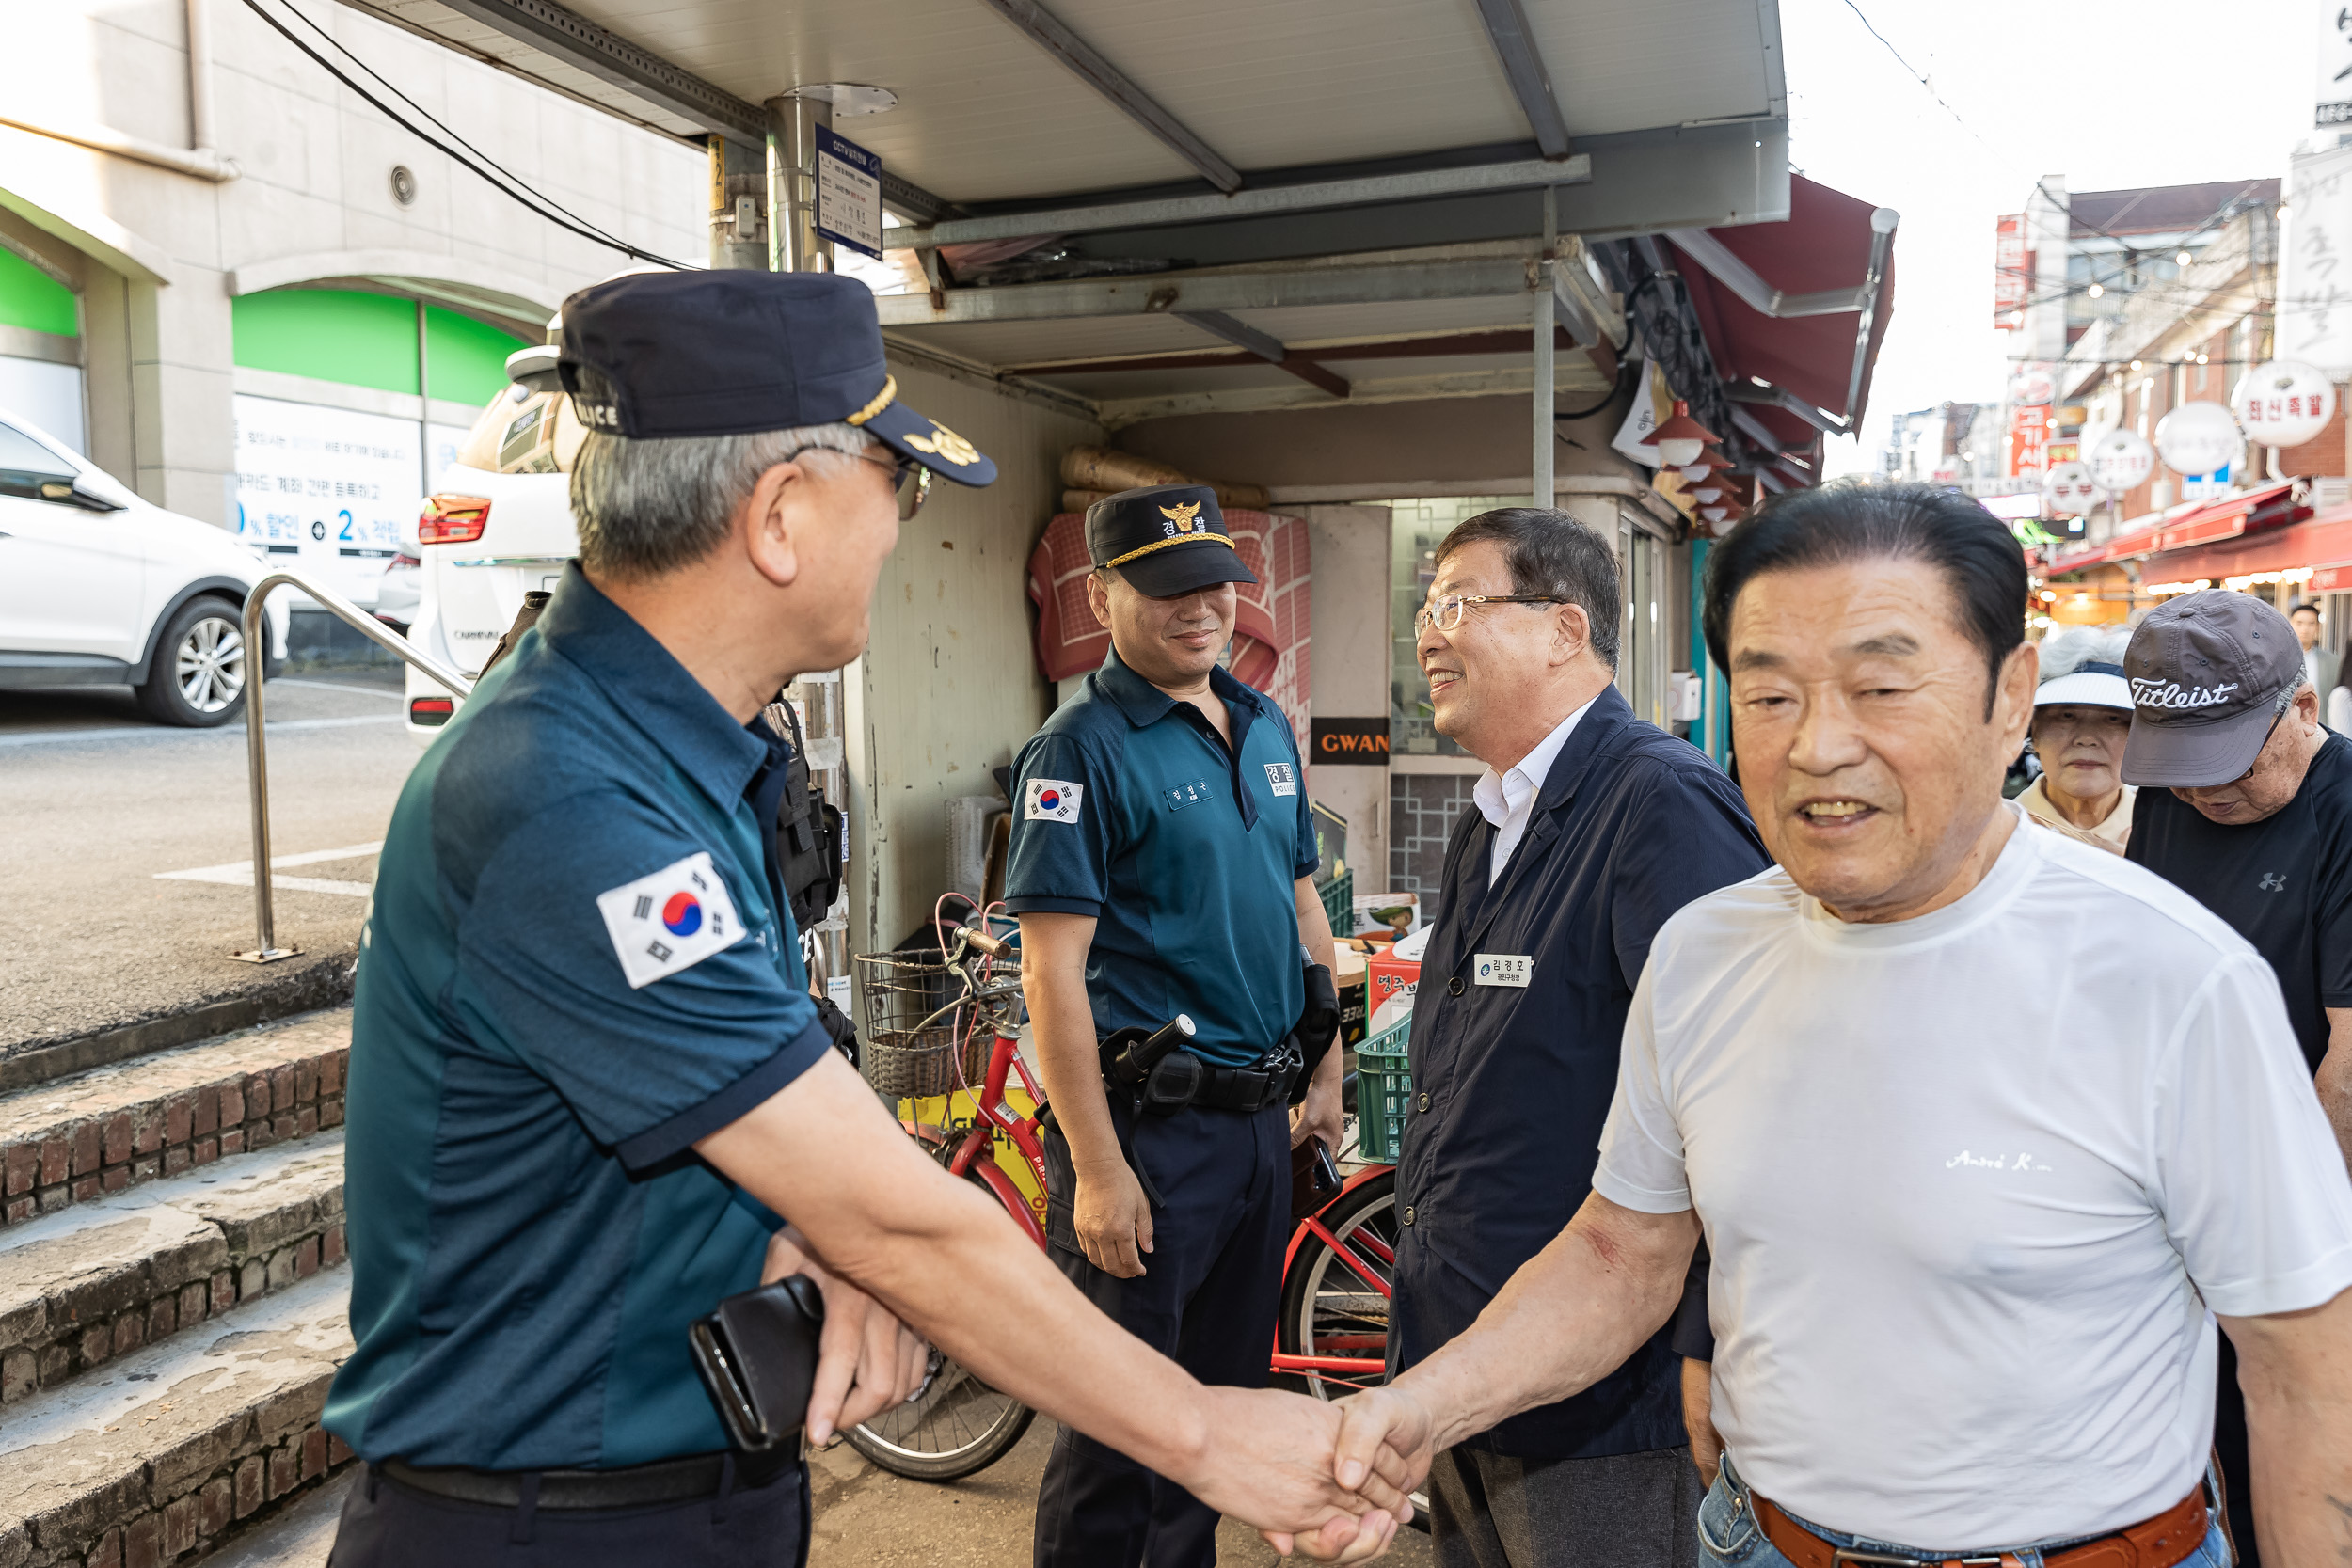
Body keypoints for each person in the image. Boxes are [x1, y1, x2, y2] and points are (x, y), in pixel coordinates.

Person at [326, 271, 1405, 1567]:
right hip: (548, 1522)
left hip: (683, 1486)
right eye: (891, 484)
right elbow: (899, 1211)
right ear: (781, 515)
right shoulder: (576, 798)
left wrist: (803, 1222)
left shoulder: (689, 752)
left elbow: (756, 1068)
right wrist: (1212, 1435)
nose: (900, 526)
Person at [1309, 482, 2352, 1568]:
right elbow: (1620, 1252)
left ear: (2011, 696)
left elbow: (2303, 1361)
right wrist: (1420, 1406)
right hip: (1758, 1541)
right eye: (1767, 698)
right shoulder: (1703, 950)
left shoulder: (2170, 975)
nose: (1815, 746)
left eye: (1880, 686)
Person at [1394, 508, 1767, 1568]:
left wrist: (1705, 1343)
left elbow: (1733, 1108)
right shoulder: (1491, 816)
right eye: (1427, 606)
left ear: (1564, 629)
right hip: (1468, 1354)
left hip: (1603, 1398)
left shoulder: (1661, 802)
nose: (1428, 632)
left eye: (1458, 601)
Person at [1004, 483, 1345, 1568]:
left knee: (1214, 1416)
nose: (1199, 608)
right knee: (1119, 1427)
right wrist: (1098, 1169)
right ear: (1102, 593)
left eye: (1214, 584)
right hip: (1149, 1136)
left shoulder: (1261, 724)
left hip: (1256, 1128)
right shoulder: (1079, 749)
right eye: (1164, 588)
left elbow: (1306, 910)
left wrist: (1324, 1069)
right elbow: (1050, 972)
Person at [2120, 588, 2352, 1565]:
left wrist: (2268, 1226)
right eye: (2178, 769)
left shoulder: (2342, 811)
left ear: (2301, 708)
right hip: (2185, 1204)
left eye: (2230, 761)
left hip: (2305, 1204)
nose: (2201, 792)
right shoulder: (2173, 799)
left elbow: (2346, 1073)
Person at [2016, 626, 2136, 851]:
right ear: (2035, 729)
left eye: (2112, 718)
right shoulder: (1990, 834)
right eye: (2067, 716)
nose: (2087, 739)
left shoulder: (2165, 837)